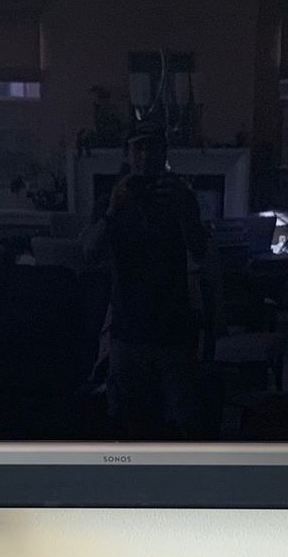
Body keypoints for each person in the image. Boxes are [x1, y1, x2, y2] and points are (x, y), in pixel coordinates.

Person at [82, 125, 209, 436]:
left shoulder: (180, 196)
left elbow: (200, 250)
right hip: (128, 327)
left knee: (182, 422)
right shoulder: (112, 199)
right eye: (138, 148)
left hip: (173, 328)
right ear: (128, 154)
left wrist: (184, 211)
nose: (145, 156)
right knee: (123, 419)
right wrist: (113, 209)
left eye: (152, 149)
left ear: (164, 154)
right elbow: (88, 252)